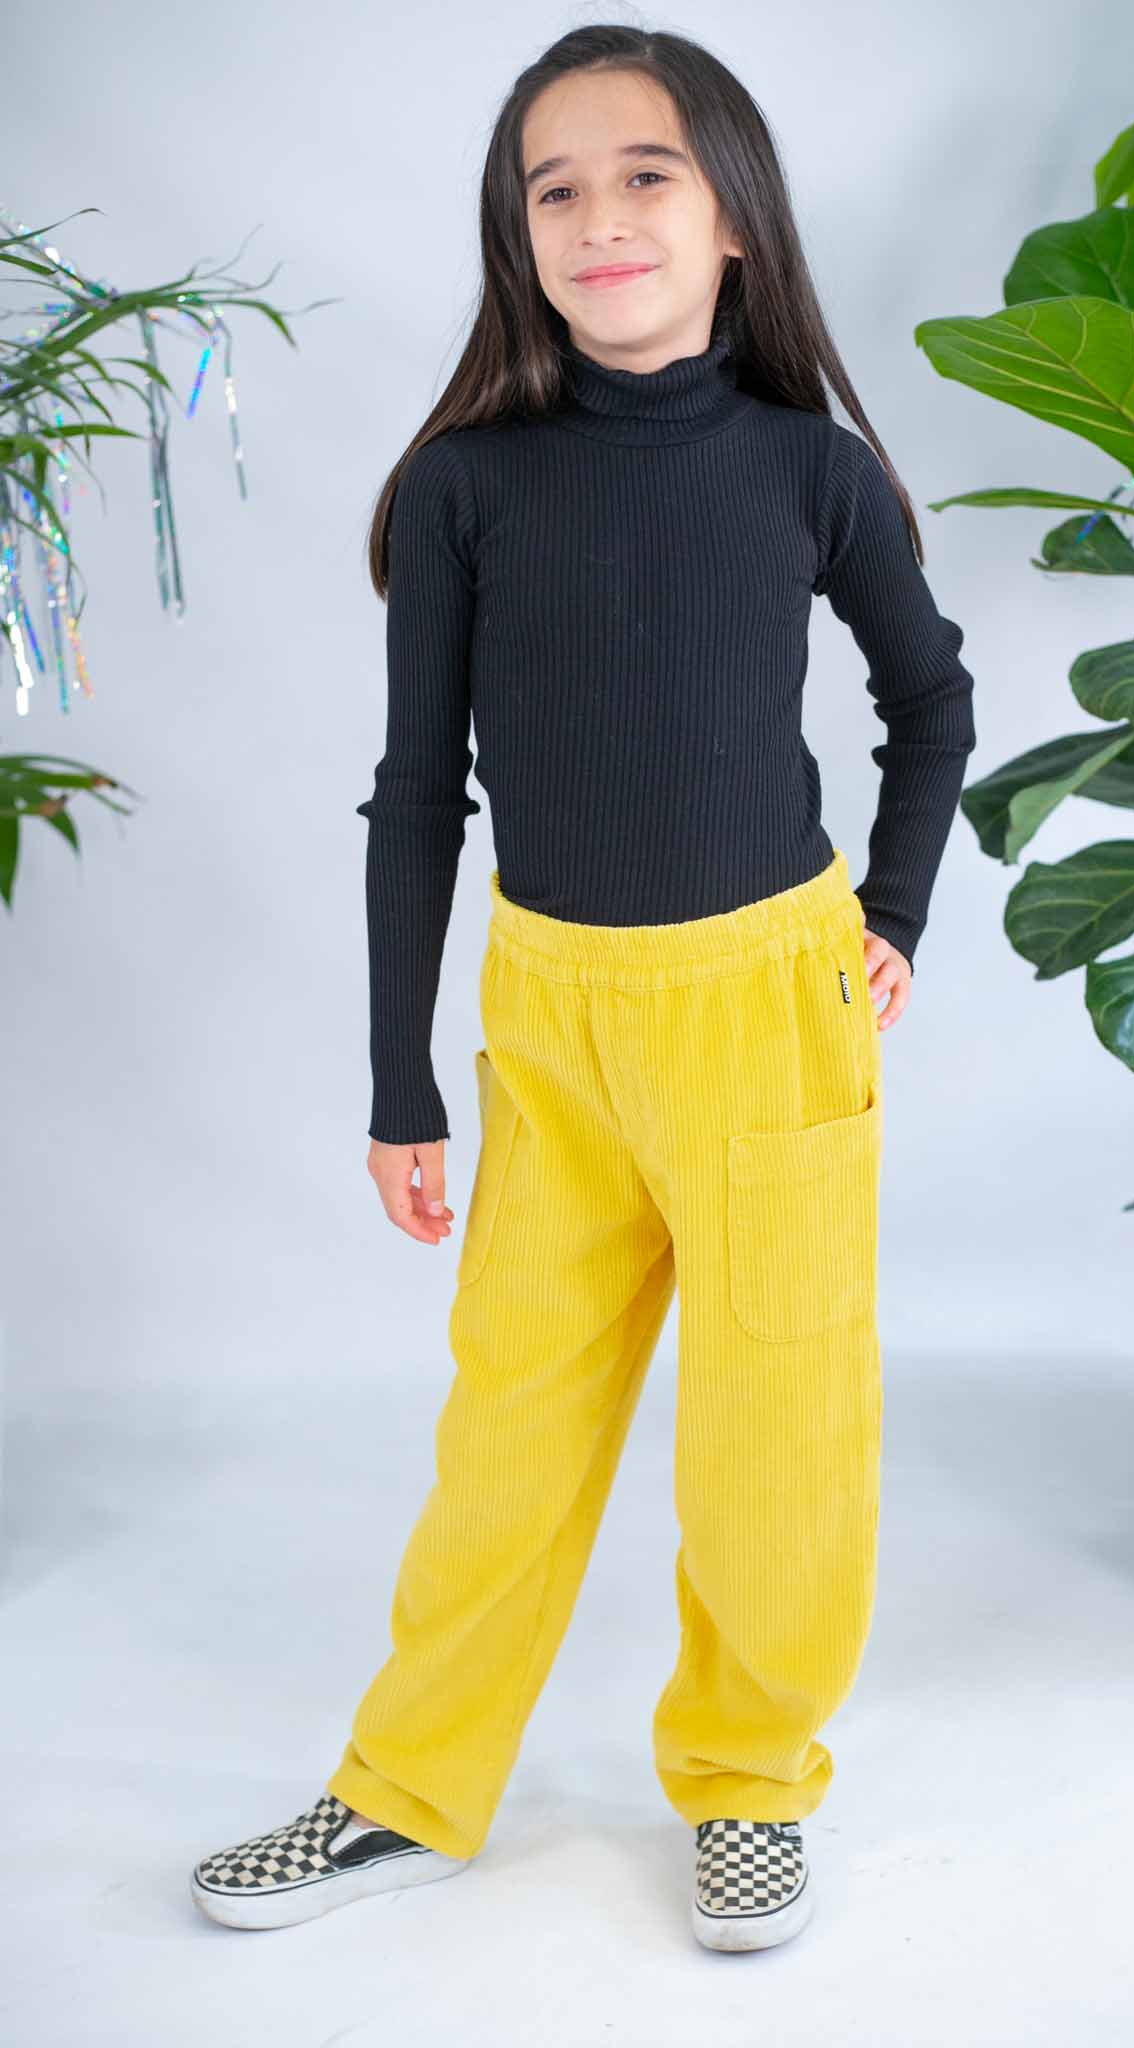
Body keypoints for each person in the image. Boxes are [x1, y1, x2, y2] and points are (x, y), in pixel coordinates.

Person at [190, 22, 975, 1952]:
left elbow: (931, 700)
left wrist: (890, 910)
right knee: (512, 1423)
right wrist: (399, 1082)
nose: (600, 217)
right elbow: (414, 796)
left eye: (647, 177)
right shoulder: (463, 486)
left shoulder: (809, 469)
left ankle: (746, 1780)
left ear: (733, 221)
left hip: (767, 1009)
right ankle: (408, 1787)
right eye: (556, 189)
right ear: (516, 234)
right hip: (548, 1020)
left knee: (775, 1433)